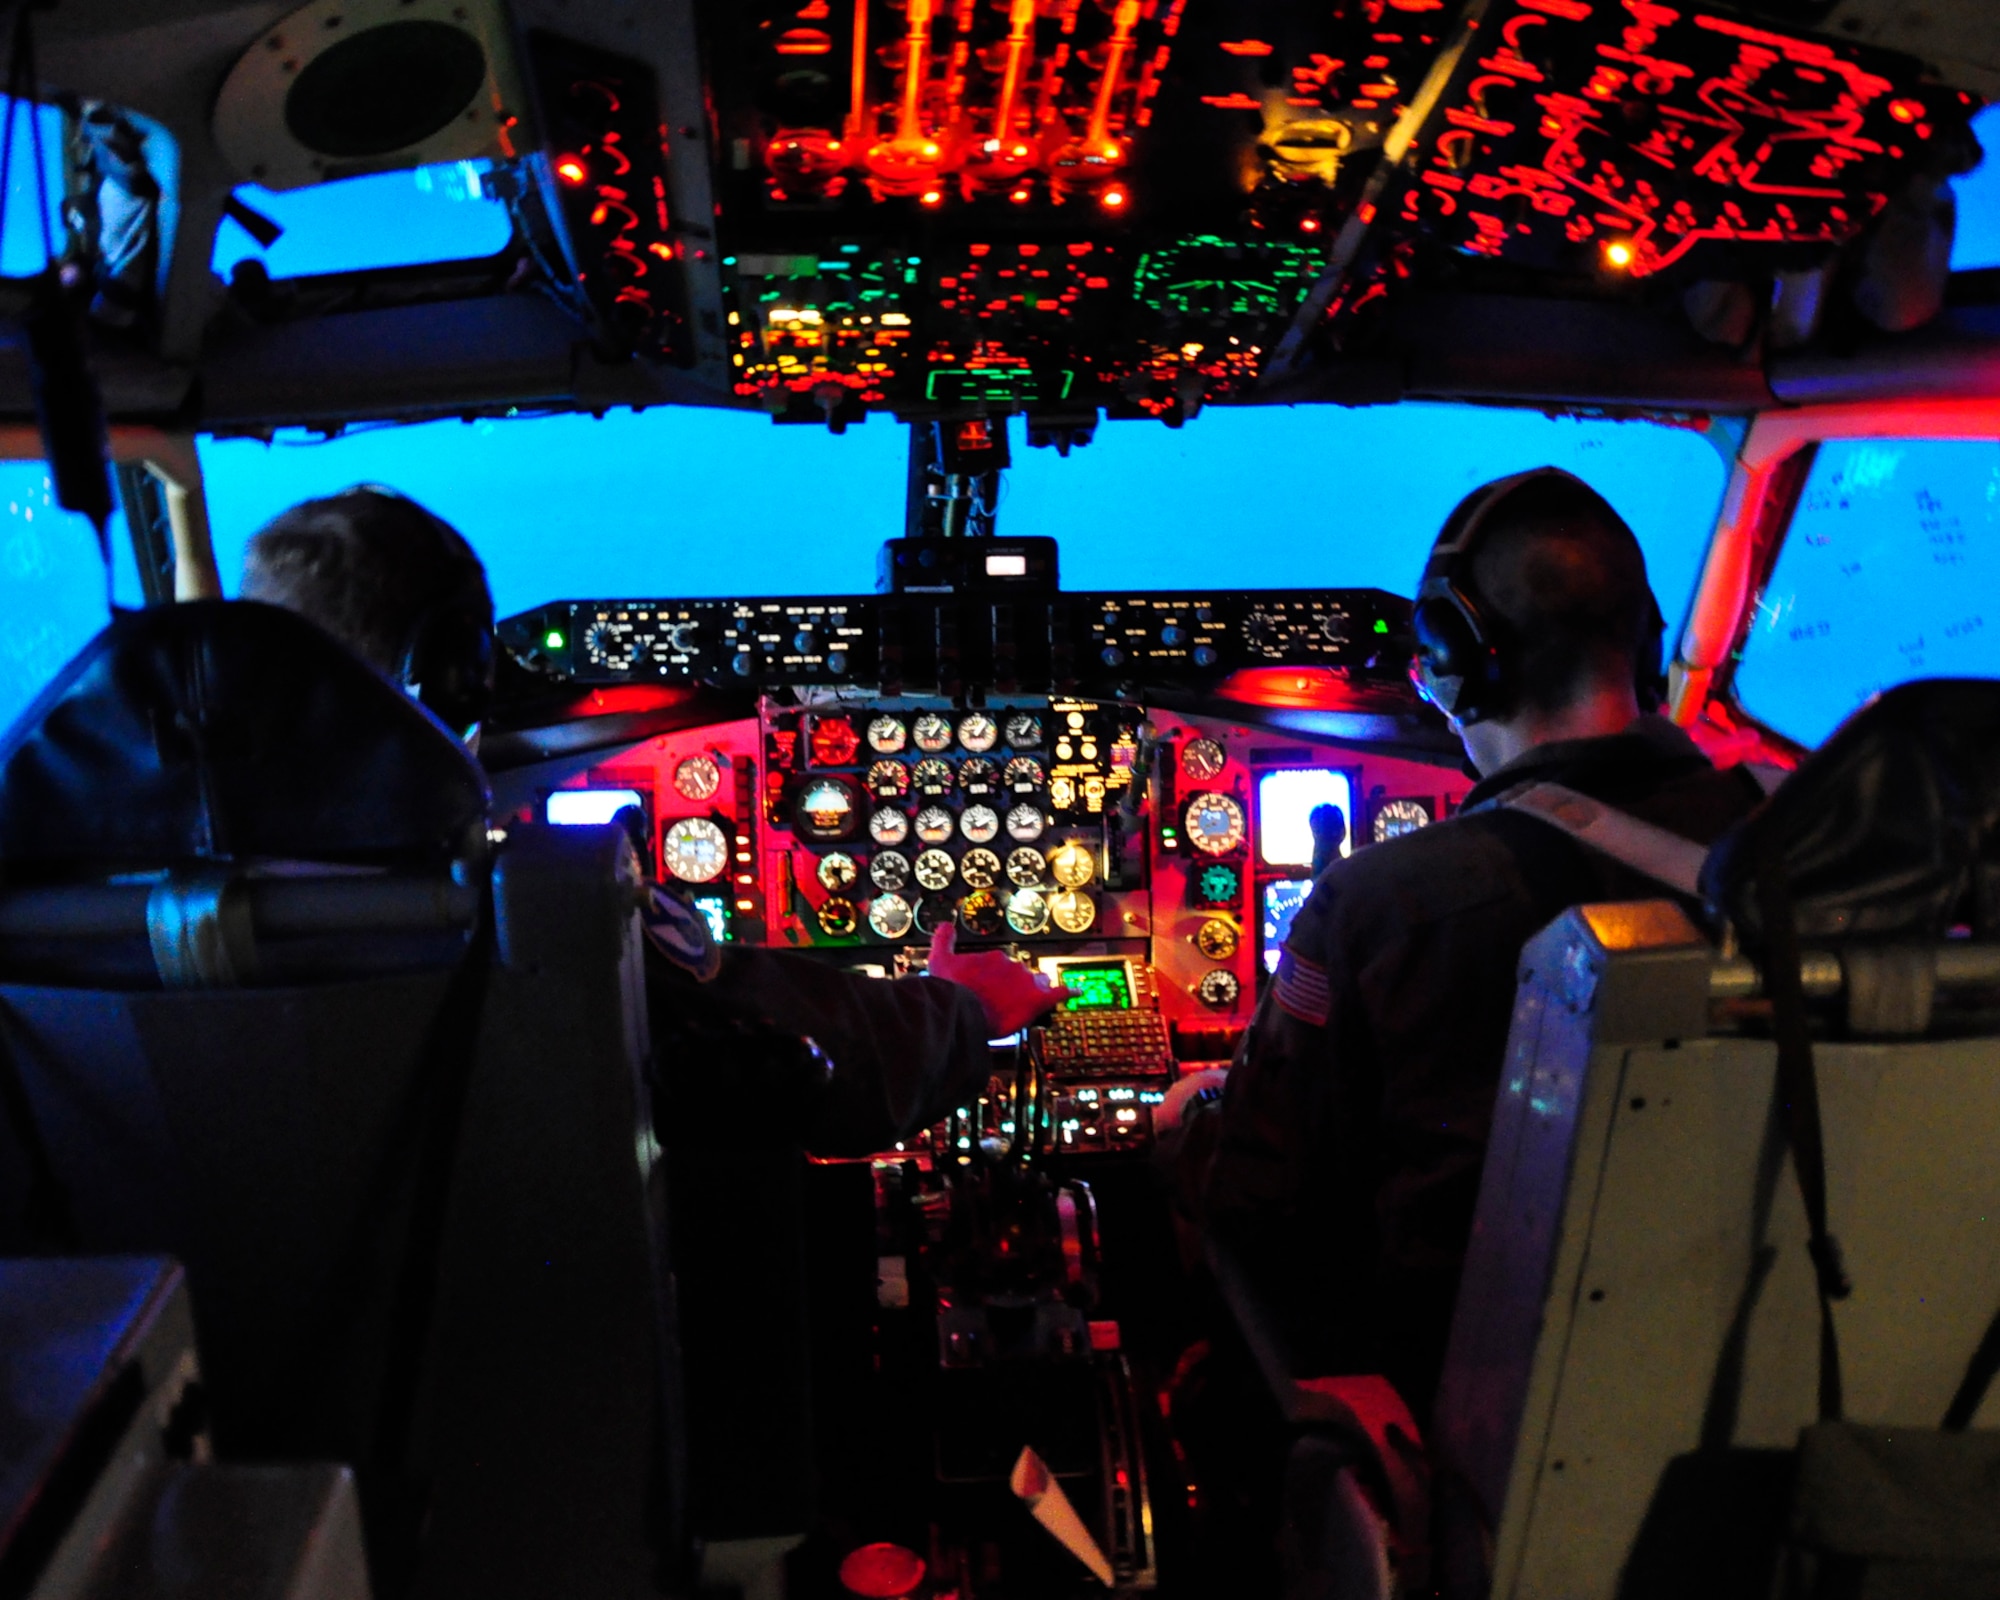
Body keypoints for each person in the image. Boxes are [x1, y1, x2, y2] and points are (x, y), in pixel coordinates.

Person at [240, 486, 1064, 1155]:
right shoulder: (543, 908)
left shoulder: (146, 903)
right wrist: (963, 1008)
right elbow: (834, 1068)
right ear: (458, 674)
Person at [1199, 467, 1764, 1418]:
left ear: (1458, 662)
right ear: (1651, 643)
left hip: (1462, 1400)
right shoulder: (1792, 857)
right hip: (1740, 1379)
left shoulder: (1381, 903)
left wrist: (1190, 1125)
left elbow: (1262, 1199)